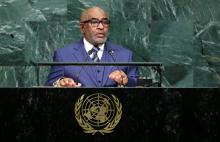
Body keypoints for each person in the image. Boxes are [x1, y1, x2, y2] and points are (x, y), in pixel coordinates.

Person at [45, 6, 138, 87]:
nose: (101, 27)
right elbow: (49, 86)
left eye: (105, 22)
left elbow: (138, 85)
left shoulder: (125, 55)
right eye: (94, 22)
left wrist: (126, 80)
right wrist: (60, 83)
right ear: (82, 28)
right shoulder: (63, 55)